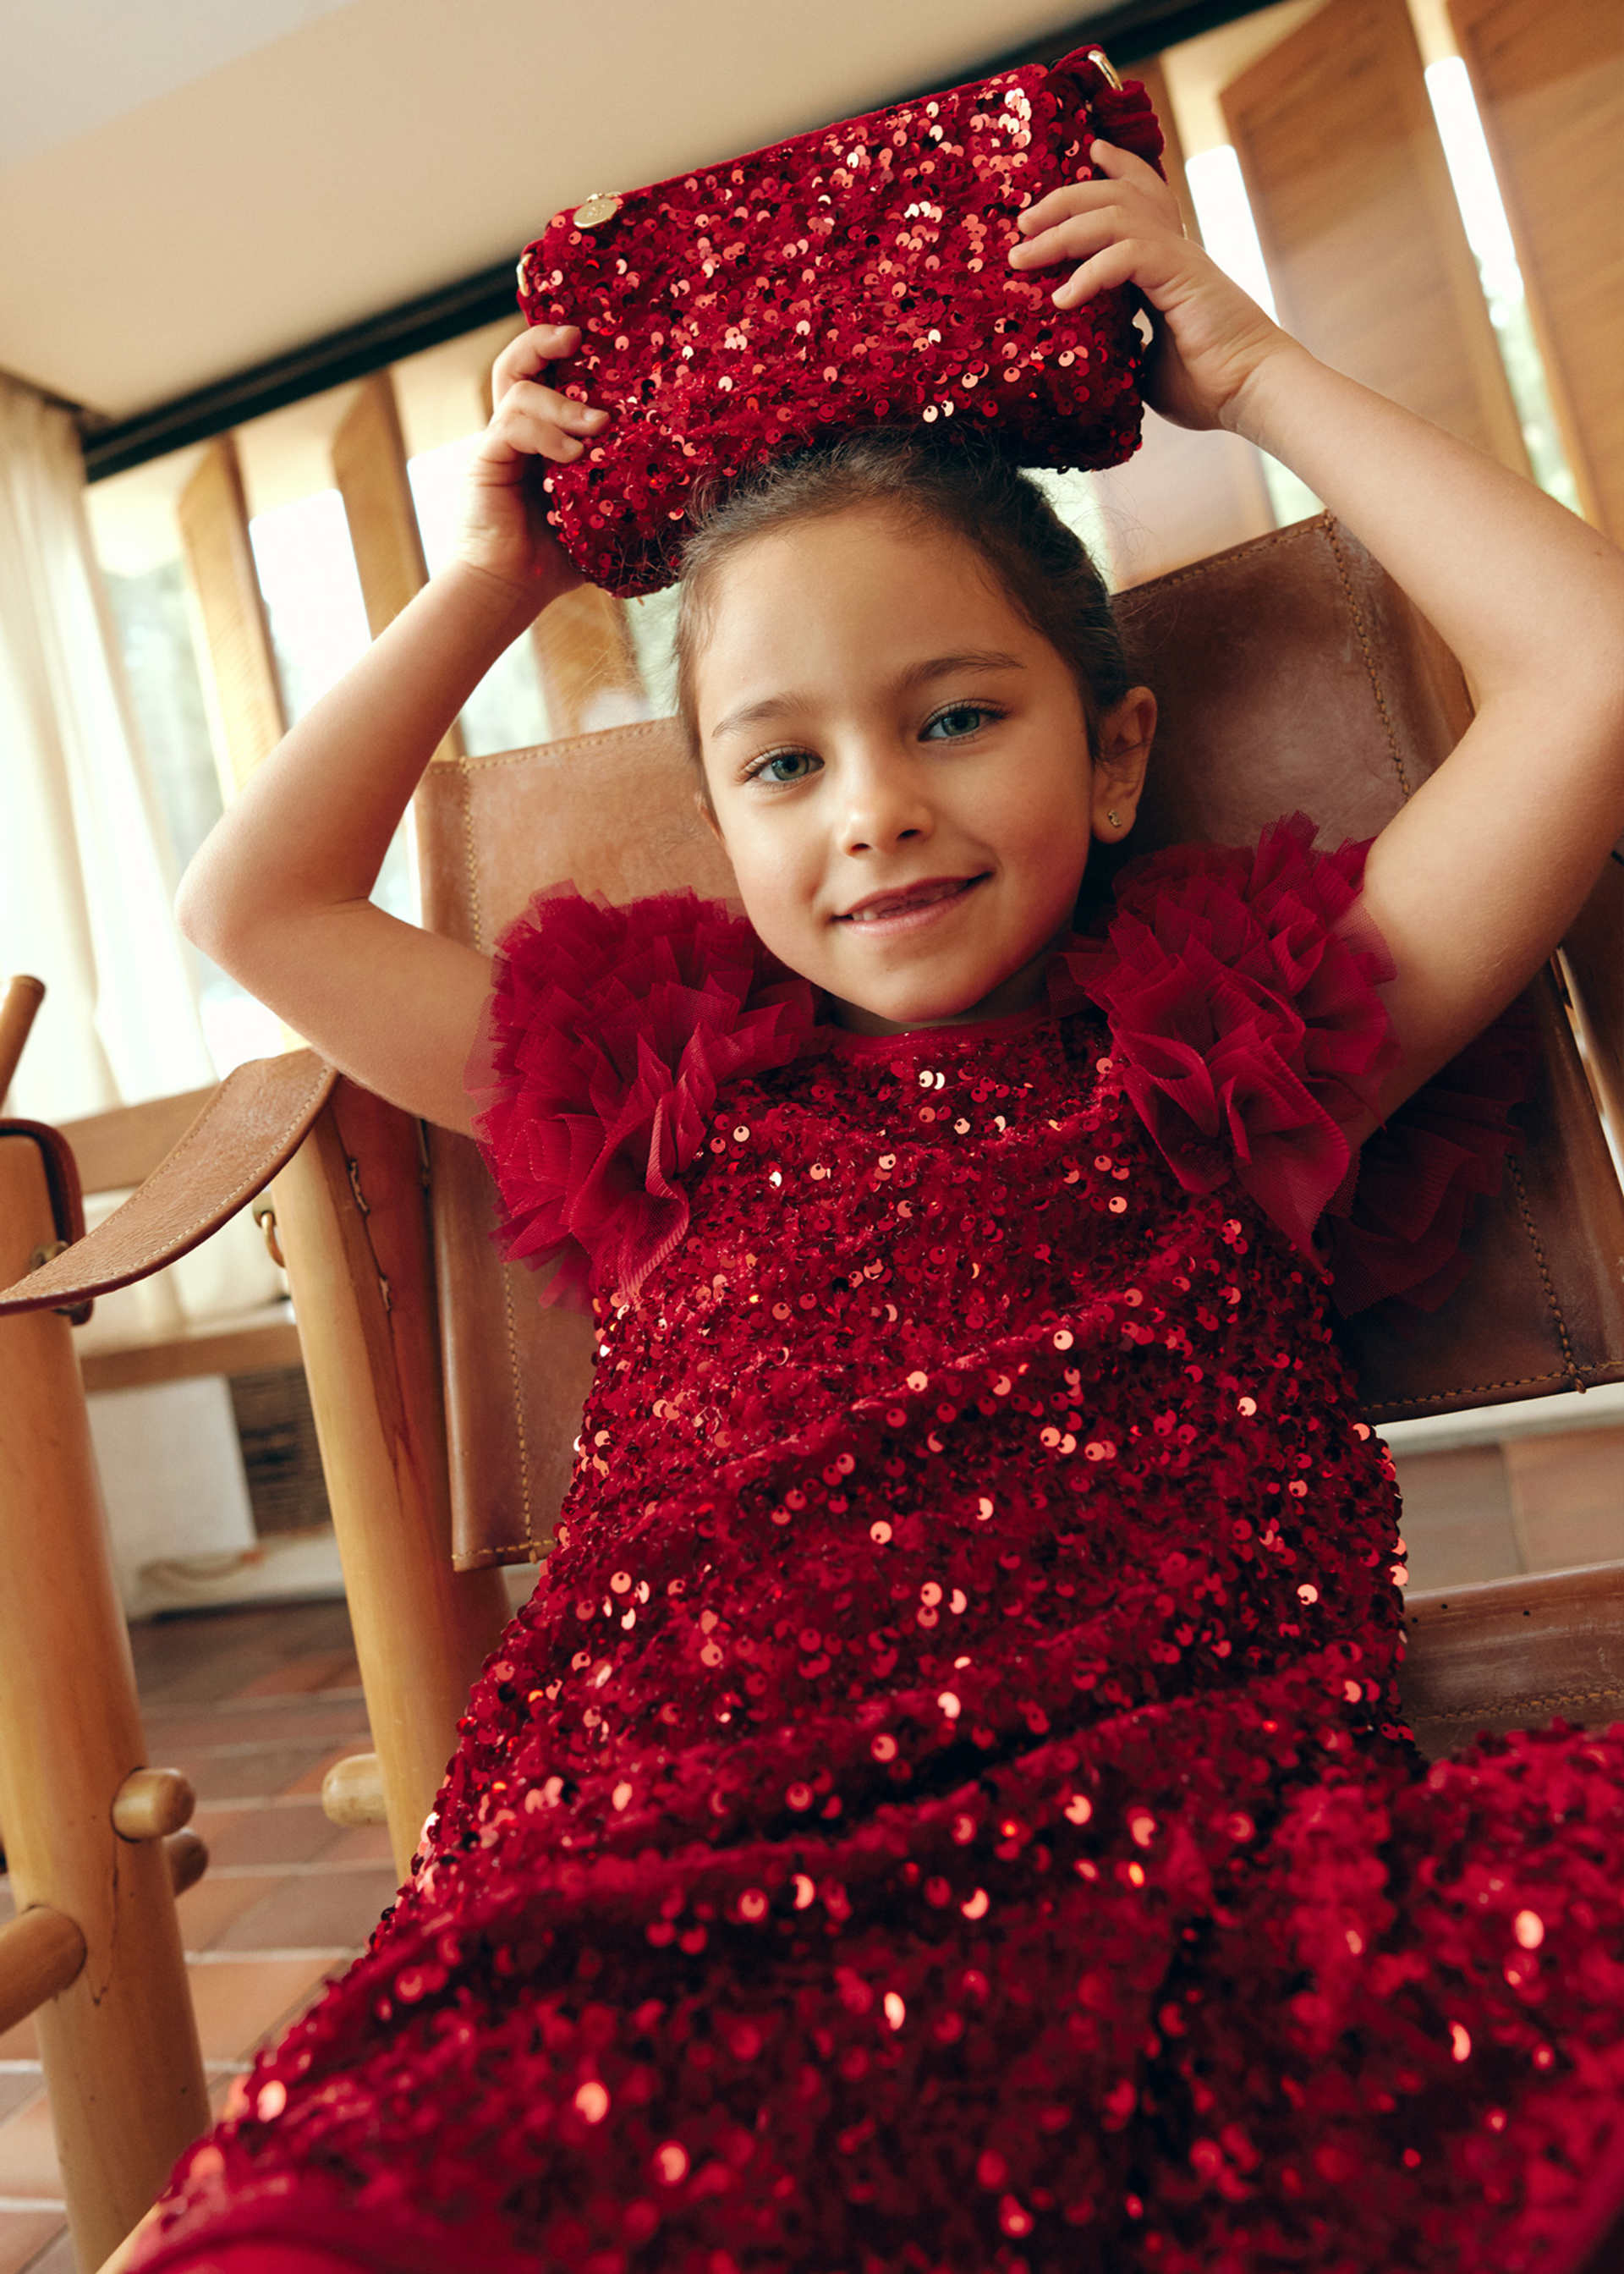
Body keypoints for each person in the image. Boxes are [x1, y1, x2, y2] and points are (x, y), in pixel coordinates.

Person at [118, 137, 1624, 2274]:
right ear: (716, 815)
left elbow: (1589, 669)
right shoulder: (665, 1100)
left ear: (1111, 758)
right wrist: (495, 580)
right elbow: (250, 901)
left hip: (1167, 1854)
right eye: (784, 764)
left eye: (956, 718)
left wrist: (1257, 371)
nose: (880, 811)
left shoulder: (1225, 1057)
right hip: (653, 1867)